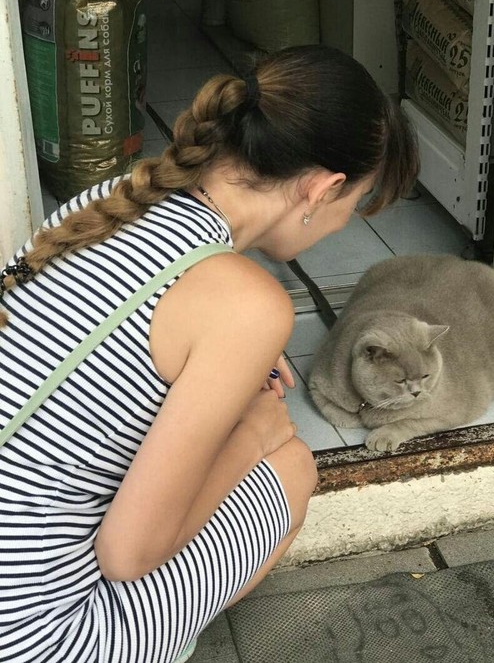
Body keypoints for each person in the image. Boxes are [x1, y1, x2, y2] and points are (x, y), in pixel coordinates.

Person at [0, 45, 418, 663]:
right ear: (322, 189)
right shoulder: (249, 304)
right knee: (293, 465)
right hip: (36, 640)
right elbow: (126, 555)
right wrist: (252, 433)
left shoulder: (111, 202)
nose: (342, 223)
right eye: (352, 207)